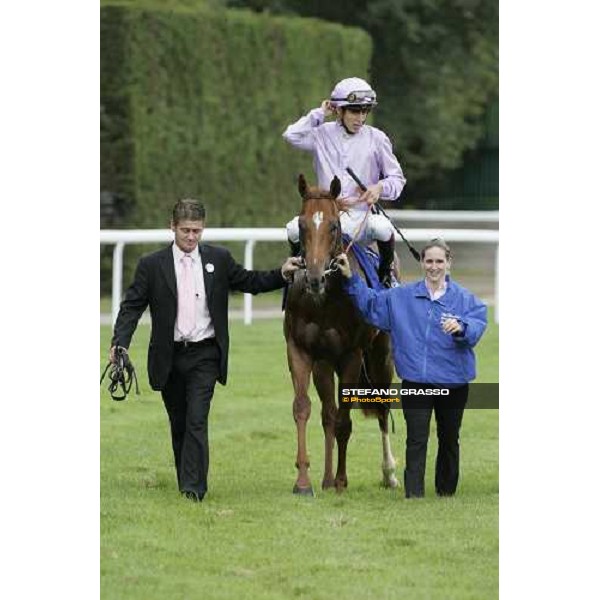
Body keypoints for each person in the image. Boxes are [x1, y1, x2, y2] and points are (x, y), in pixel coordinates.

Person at [109, 199, 302, 502]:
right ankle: (186, 477)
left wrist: (281, 273)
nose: (190, 237)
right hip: (168, 356)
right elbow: (131, 307)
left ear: (203, 229)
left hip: (205, 355)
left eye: (196, 231)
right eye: (185, 230)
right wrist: (119, 343)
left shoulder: (219, 259)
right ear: (171, 227)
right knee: (180, 422)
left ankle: (193, 489)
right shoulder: (151, 266)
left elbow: (249, 281)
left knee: (197, 419)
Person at [336, 239, 487, 498]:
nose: (434, 266)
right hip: (416, 383)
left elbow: (477, 323)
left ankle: (446, 493)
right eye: (429, 261)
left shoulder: (464, 299)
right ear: (421, 263)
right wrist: (351, 279)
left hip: (454, 383)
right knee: (416, 439)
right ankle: (414, 494)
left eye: (440, 261)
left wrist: (461, 326)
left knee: (449, 438)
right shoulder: (401, 297)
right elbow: (371, 304)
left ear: (448, 263)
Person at [282, 76, 407, 286]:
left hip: (360, 217)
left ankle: (386, 276)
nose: (361, 117)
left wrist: (379, 187)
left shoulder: (377, 138)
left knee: (384, 227)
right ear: (339, 111)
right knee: (293, 229)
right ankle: (295, 274)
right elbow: (291, 135)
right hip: (327, 216)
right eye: (354, 111)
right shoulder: (321, 134)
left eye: (365, 111)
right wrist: (320, 113)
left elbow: (397, 180)